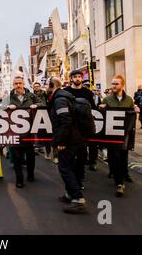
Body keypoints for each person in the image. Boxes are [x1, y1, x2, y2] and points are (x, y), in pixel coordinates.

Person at [46, 77, 87, 214]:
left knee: (64, 168)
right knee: (70, 167)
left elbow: (65, 122)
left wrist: (61, 142)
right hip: (74, 139)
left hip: (69, 141)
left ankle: (78, 199)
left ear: (52, 86)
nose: (46, 87)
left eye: (47, 85)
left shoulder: (60, 100)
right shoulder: (63, 97)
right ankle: (70, 195)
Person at [5, 76, 45, 188]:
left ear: (23, 84)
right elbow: (0, 108)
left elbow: (43, 104)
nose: (18, 85)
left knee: (30, 155)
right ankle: (19, 179)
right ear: (13, 85)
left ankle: (31, 174)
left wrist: (36, 105)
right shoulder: (9, 97)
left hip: (30, 131)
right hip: (15, 131)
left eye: (20, 83)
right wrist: (8, 106)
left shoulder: (31, 96)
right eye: (16, 83)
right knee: (17, 157)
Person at [99, 75, 136, 197]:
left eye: (116, 84)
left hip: (124, 134)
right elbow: (102, 116)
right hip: (111, 134)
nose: (113, 86)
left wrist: (135, 109)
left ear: (122, 85)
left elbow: (131, 116)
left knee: (123, 156)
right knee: (114, 156)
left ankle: (124, 174)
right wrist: (102, 108)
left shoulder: (129, 100)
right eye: (112, 83)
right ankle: (119, 182)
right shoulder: (107, 99)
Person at [64, 69, 95, 178]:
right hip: (70, 128)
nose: (77, 78)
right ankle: (73, 174)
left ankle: (81, 174)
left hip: (83, 128)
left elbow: (93, 109)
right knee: (71, 154)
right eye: (75, 76)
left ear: (82, 78)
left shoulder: (88, 93)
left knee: (82, 154)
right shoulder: (65, 92)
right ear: (71, 79)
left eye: (79, 76)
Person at [32, 81, 53, 160]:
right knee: (37, 131)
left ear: (40, 87)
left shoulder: (45, 93)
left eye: (38, 86)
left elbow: (47, 102)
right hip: (36, 114)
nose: (36, 87)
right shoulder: (31, 95)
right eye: (35, 86)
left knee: (47, 132)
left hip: (46, 114)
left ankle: (46, 149)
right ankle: (38, 146)